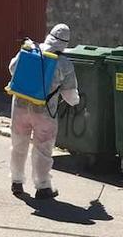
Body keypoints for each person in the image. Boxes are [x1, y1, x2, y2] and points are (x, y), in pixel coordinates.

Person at [8, 23, 80, 200]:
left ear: (49, 35)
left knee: (18, 145)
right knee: (42, 149)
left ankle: (16, 182)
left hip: (19, 107)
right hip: (45, 112)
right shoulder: (64, 63)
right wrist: (76, 102)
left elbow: (12, 69)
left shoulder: (30, 49)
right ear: (65, 43)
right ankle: (43, 187)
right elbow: (71, 96)